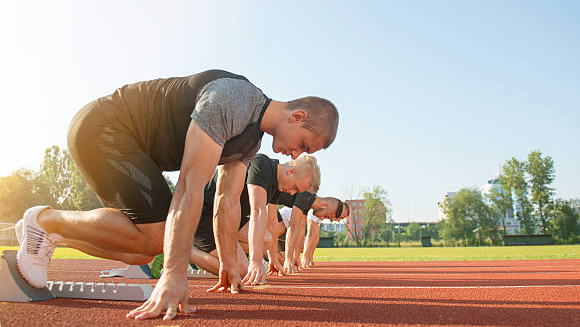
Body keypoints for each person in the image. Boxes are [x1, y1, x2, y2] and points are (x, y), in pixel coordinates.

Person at [15, 69, 338, 321]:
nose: (296, 155)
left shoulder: (250, 143)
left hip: (136, 150)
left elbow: (226, 201)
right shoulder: (235, 99)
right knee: (158, 238)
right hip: (106, 127)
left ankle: (54, 234)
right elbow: (189, 186)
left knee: (144, 250)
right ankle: (44, 220)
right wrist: (172, 274)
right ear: (298, 117)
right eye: (305, 145)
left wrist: (227, 262)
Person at [188, 153, 320, 280]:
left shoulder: (276, 184)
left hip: (227, 217)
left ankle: (220, 250)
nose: (292, 193)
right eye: (295, 188)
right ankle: (184, 249)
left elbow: (271, 223)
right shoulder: (261, 164)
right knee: (242, 272)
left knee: (267, 240)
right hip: (203, 214)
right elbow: (258, 211)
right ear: (290, 172)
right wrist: (256, 261)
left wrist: (273, 260)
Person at [266, 196, 349, 276]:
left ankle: (266, 257)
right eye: (327, 216)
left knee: (282, 260)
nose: (324, 218)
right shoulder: (305, 198)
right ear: (325, 205)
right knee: (276, 233)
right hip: (277, 218)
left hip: (278, 220)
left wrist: (296, 257)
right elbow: (299, 229)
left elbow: (301, 231)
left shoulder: (309, 206)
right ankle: (260, 254)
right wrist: (291, 258)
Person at [301, 202, 350, 268]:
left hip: (317, 213)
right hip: (313, 212)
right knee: (311, 235)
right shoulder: (332, 207)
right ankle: (304, 258)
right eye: (341, 218)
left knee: (316, 237)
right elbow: (310, 235)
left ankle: (309, 258)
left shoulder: (334, 209)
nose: (339, 221)